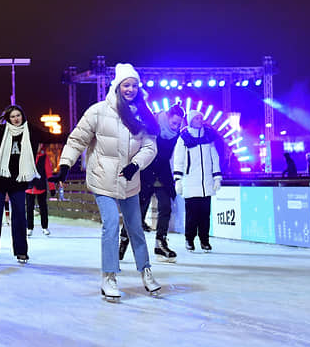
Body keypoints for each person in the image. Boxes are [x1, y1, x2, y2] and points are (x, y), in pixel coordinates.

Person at [50, 63, 161, 301]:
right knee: (111, 225)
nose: (130, 89)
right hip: (102, 179)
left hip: (130, 181)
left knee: (136, 229)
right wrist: (65, 166)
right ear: (117, 86)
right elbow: (77, 139)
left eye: (134, 85)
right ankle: (109, 276)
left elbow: (150, 146)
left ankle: (146, 271)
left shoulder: (143, 113)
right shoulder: (98, 111)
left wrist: (136, 164)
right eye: (126, 85)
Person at [0, 105, 47, 264]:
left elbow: (51, 137)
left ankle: (21, 252)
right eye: (13, 116)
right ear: (8, 118)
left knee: (20, 216)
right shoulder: (1, 131)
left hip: (17, 181)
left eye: (18, 115)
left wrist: (77, 135)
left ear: (22, 116)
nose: (16, 119)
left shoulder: (30, 131)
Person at [120, 104, 184, 263]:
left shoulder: (176, 135)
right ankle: (123, 242)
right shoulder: (152, 126)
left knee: (166, 207)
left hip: (162, 175)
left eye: (178, 124)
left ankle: (160, 244)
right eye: (174, 123)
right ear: (168, 117)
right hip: (145, 173)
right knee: (137, 212)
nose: (175, 127)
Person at [173, 109, 222, 252]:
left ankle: (204, 240)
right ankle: (189, 239)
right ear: (190, 121)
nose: (200, 121)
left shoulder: (208, 136)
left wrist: (217, 177)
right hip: (190, 182)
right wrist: (178, 179)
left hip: (206, 183)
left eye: (201, 118)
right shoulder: (184, 137)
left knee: (205, 215)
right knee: (192, 214)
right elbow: (179, 159)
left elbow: (214, 157)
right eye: (196, 118)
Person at [25, 144, 52, 236]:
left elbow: (49, 173)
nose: (38, 146)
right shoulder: (27, 156)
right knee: (29, 208)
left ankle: (44, 227)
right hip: (29, 187)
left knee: (43, 208)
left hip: (41, 187)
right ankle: (29, 227)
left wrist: (51, 187)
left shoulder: (44, 157)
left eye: (39, 144)